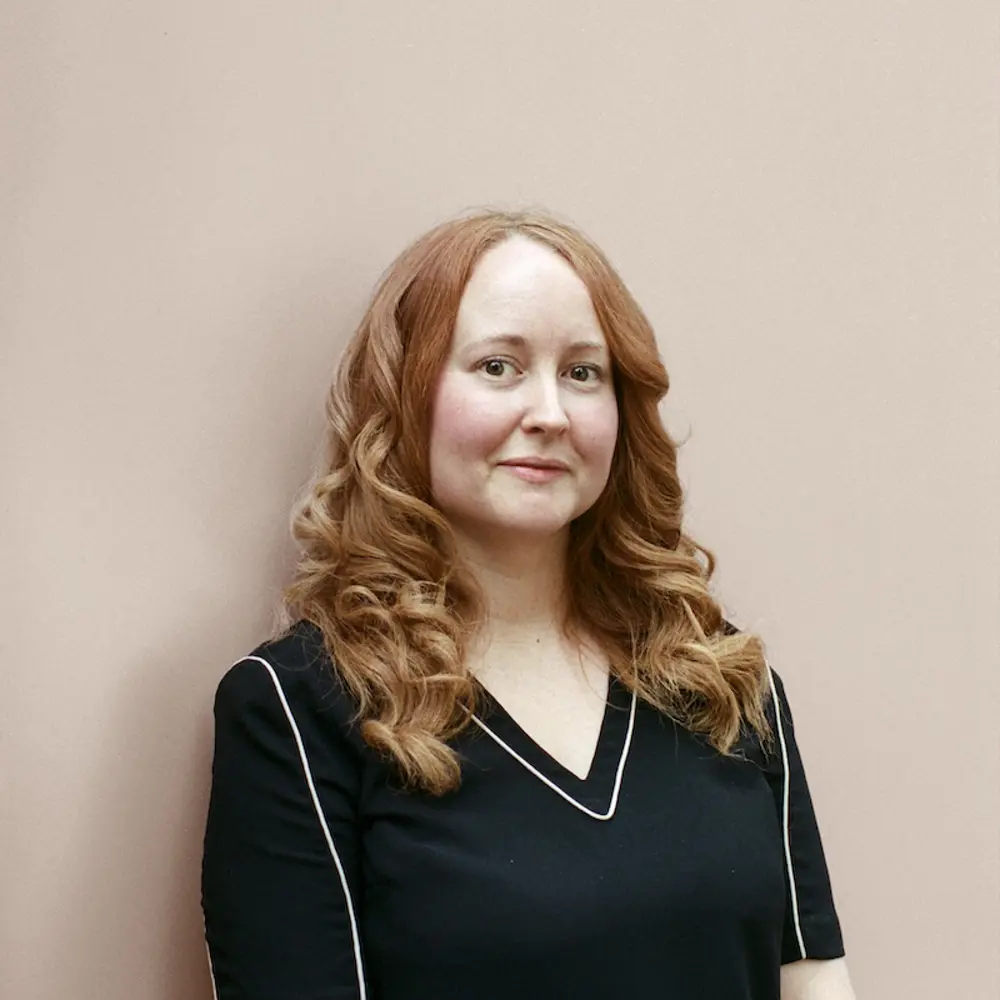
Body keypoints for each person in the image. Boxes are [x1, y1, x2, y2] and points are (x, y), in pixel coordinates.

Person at [201, 209, 854, 999]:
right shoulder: (295, 710)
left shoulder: (726, 684)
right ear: (407, 396)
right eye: (498, 366)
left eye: (583, 373)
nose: (550, 412)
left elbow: (814, 983)